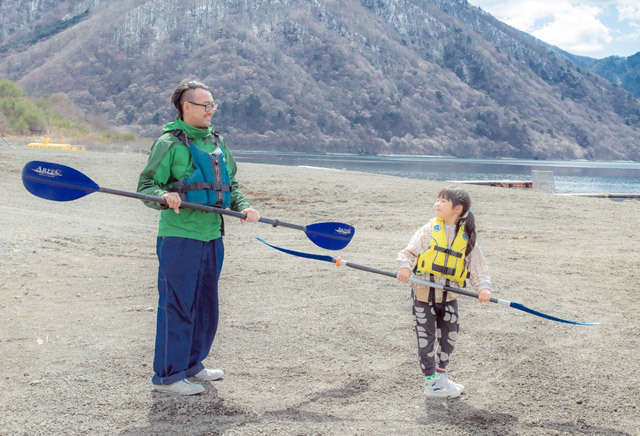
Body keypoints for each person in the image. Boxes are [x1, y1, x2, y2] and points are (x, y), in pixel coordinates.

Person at [138, 79, 260, 395]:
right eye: (205, 105)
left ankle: (193, 365)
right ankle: (168, 376)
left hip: (212, 236)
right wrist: (164, 194)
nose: (211, 110)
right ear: (186, 107)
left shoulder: (216, 143)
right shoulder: (168, 144)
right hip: (179, 237)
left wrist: (244, 207)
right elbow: (146, 187)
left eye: (212, 105)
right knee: (177, 304)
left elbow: (231, 186)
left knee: (206, 305)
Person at [396, 186, 491, 399]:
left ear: (458, 209)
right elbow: (408, 252)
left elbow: (477, 266)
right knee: (425, 337)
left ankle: (441, 377)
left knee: (449, 337)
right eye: (437, 200)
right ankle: (431, 383)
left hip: (449, 297)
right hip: (423, 295)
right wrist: (404, 266)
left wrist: (483, 287)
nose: (437, 204)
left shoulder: (466, 238)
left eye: (443, 201)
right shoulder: (429, 230)